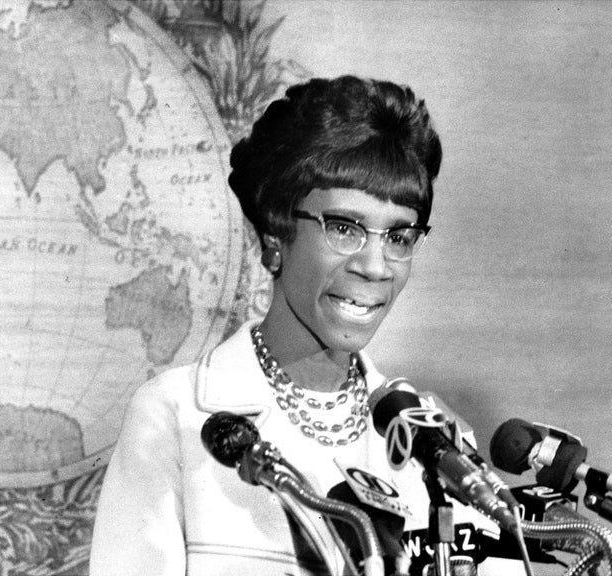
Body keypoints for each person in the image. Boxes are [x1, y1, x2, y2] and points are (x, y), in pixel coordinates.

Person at [90, 75, 501, 576]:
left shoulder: (439, 444)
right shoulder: (173, 417)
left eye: (399, 236)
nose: (376, 266)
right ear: (276, 230)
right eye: (345, 228)